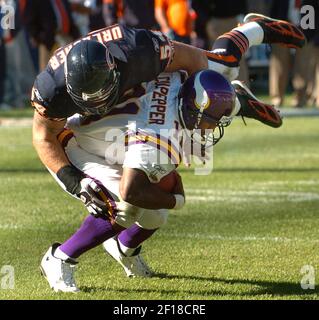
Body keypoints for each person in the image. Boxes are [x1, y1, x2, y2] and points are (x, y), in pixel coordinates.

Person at [33, 14, 305, 291]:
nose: (208, 131)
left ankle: (123, 248)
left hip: (126, 114)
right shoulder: (52, 90)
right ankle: (59, 258)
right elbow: (45, 138)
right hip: (76, 141)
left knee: (222, 66)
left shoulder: (140, 52)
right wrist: (75, 182)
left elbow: (198, 68)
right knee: (119, 205)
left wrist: (219, 94)